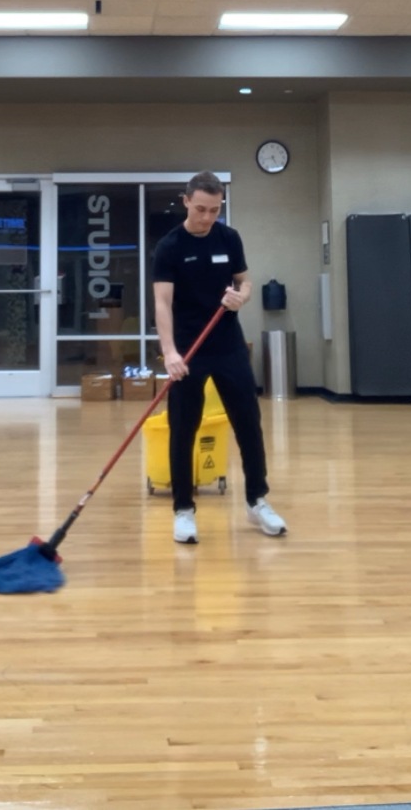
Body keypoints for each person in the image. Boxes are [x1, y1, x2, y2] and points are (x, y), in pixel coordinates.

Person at [152, 171, 287, 544]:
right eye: (200, 209)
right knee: (184, 429)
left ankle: (257, 500)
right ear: (185, 202)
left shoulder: (229, 237)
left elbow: (244, 280)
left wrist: (241, 296)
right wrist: (169, 352)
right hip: (188, 350)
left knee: (248, 422)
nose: (207, 217)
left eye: (214, 210)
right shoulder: (170, 246)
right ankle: (183, 509)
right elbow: (162, 303)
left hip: (227, 345)